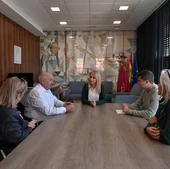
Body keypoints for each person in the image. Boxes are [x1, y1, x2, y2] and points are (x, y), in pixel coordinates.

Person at [0, 77, 36, 155]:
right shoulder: (8, 114)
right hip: (14, 151)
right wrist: (29, 127)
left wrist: (27, 124)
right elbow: (17, 138)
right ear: (18, 95)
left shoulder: (6, 108)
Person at [144, 69, 170, 145]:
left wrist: (154, 123)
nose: (157, 85)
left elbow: (167, 136)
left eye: (160, 83)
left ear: (167, 86)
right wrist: (148, 129)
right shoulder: (164, 101)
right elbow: (152, 121)